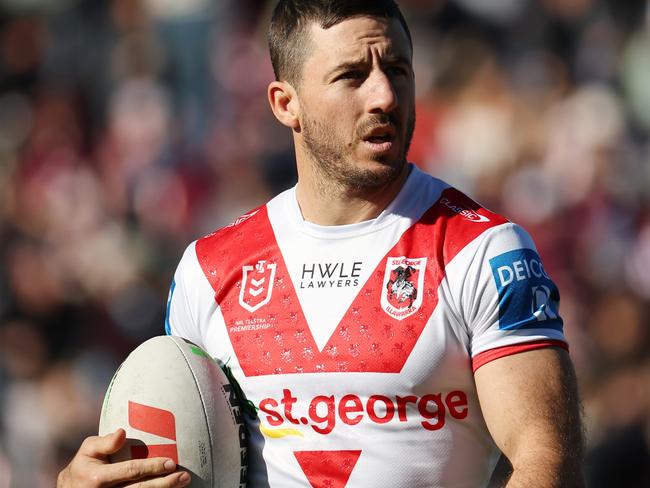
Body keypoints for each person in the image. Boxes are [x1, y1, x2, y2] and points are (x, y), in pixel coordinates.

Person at [58, 1, 585, 487]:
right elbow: (175, 460)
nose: (384, 95)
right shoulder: (207, 270)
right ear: (286, 104)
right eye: (352, 76)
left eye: (397, 70)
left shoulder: (483, 249)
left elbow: (547, 460)